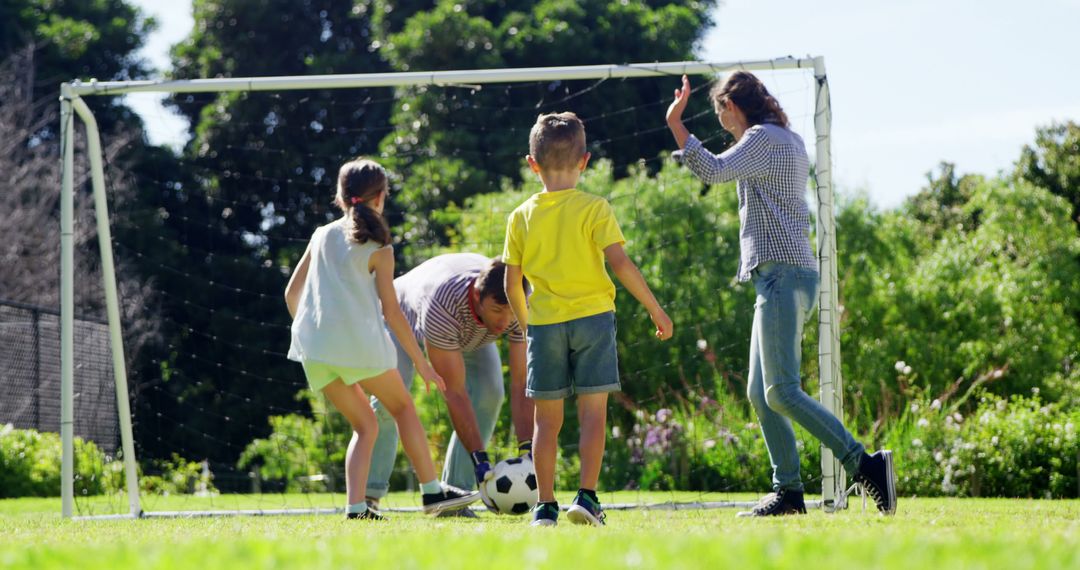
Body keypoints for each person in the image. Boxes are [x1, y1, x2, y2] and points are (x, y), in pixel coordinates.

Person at [665, 71, 897, 516]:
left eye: (721, 114)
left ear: (731, 106)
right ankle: (788, 492)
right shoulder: (783, 138)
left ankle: (865, 465)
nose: (724, 125)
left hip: (782, 276)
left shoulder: (761, 137)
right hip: (783, 276)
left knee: (782, 391)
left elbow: (713, 170)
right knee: (760, 391)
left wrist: (677, 124)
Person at [284, 157, 481, 520]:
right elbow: (392, 313)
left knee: (366, 425)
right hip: (360, 346)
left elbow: (291, 295)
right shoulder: (380, 247)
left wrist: (315, 333)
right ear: (380, 198)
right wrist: (423, 365)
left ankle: (357, 508)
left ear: (341, 197)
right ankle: (432, 493)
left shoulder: (320, 235)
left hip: (313, 350)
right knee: (403, 409)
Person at [503, 112, 674, 527]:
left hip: (544, 326)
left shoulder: (520, 216)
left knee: (546, 421)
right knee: (594, 415)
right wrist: (655, 307)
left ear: (532, 163)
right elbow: (621, 264)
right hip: (594, 319)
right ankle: (587, 497)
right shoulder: (596, 208)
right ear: (585, 161)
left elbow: (512, 285)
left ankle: (545, 506)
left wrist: (528, 329)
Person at [365, 254, 534, 518]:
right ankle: (367, 497)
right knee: (391, 401)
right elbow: (454, 392)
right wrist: (481, 459)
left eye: (512, 310)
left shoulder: (518, 300)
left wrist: (528, 451)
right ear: (478, 298)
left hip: (471, 329)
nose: (506, 320)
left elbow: (522, 382)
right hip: (400, 319)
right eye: (498, 310)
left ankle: (456, 498)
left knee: (491, 393)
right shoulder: (443, 304)